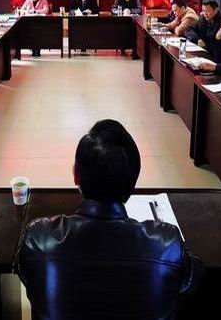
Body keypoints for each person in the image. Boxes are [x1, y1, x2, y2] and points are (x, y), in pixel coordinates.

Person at [18, 119, 201, 319]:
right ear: (132, 183)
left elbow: (28, 276)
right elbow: (192, 277)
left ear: (76, 175)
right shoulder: (167, 244)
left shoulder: (38, 238)